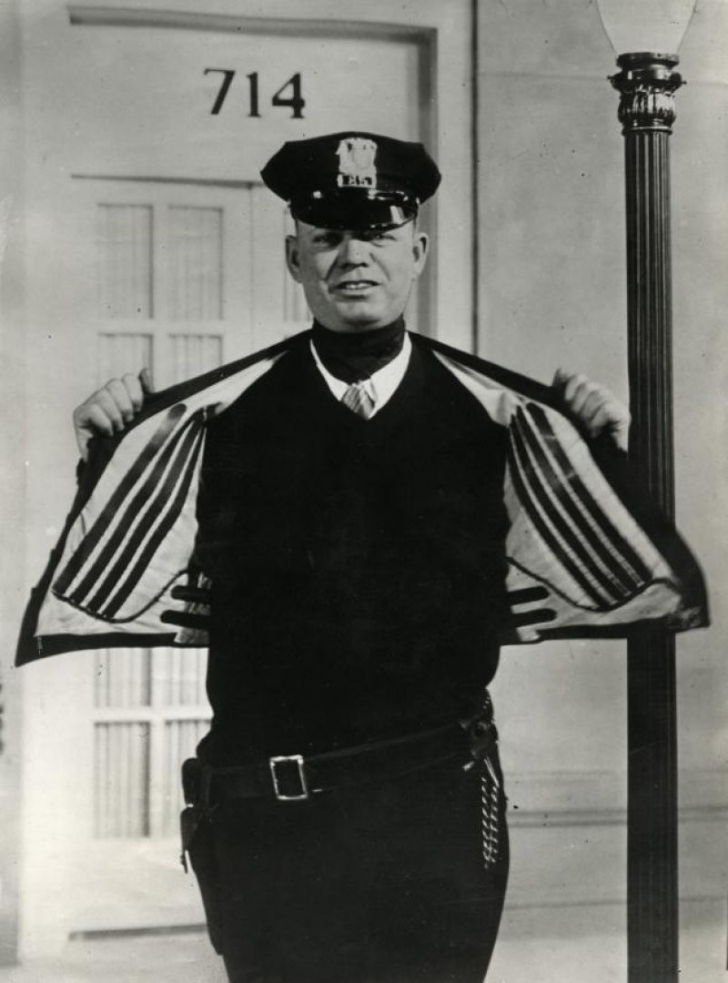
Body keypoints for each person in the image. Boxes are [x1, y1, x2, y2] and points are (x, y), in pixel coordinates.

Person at [18, 132, 707, 983]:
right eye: (328, 237)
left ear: (417, 252)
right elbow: (130, 567)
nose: (353, 258)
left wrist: (603, 457)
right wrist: (104, 453)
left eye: (379, 234)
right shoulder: (220, 426)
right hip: (274, 824)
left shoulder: (495, 424)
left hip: (437, 820)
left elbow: (605, 568)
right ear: (294, 258)